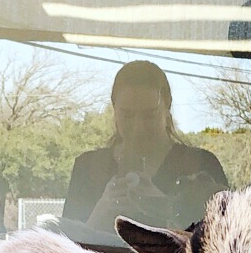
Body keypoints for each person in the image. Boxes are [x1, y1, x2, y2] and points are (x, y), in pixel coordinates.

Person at [60, 60, 228, 236]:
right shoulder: (88, 167)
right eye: (127, 115)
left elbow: (223, 242)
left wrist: (164, 207)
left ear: (167, 106)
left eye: (150, 115)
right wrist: (100, 213)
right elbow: (64, 250)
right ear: (114, 109)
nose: (138, 128)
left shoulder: (200, 165)